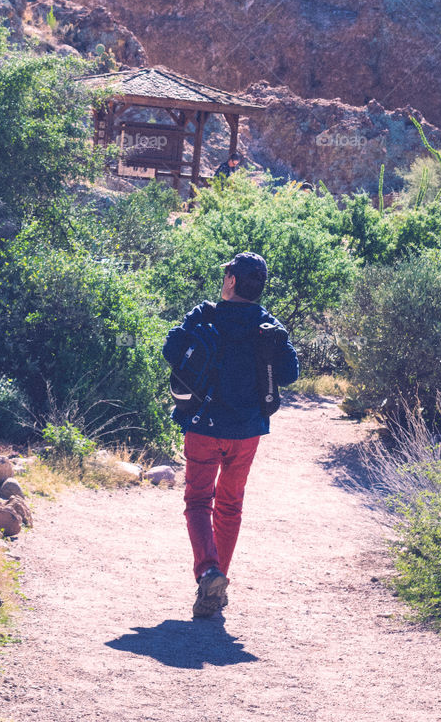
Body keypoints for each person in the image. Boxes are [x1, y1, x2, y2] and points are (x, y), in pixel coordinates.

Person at [162, 251, 299, 619]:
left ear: (232, 281)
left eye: (227, 275)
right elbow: (288, 375)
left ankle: (209, 573)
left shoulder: (207, 315)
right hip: (247, 433)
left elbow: (170, 350)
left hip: (203, 427)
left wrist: (190, 322)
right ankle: (216, 585)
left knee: (198, 502)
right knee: (230, 505)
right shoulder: (268, 326)